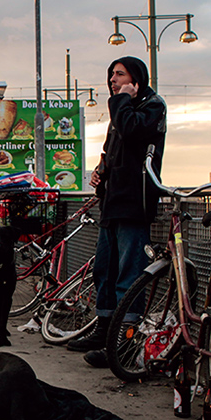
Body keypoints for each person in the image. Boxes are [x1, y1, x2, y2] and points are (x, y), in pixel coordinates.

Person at [67, 57, 167, 368]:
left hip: (134, 204)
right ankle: (103, 331)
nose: (113, 79)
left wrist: (122, 99)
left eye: (119, 74)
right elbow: (112, 150)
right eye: (111, 75)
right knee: (105, 272)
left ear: (136, 78)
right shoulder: (121, 108)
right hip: (112, 202)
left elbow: (132, 131)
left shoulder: (152, 106)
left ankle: (124, 343)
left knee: (129, 275)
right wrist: (100, 172)